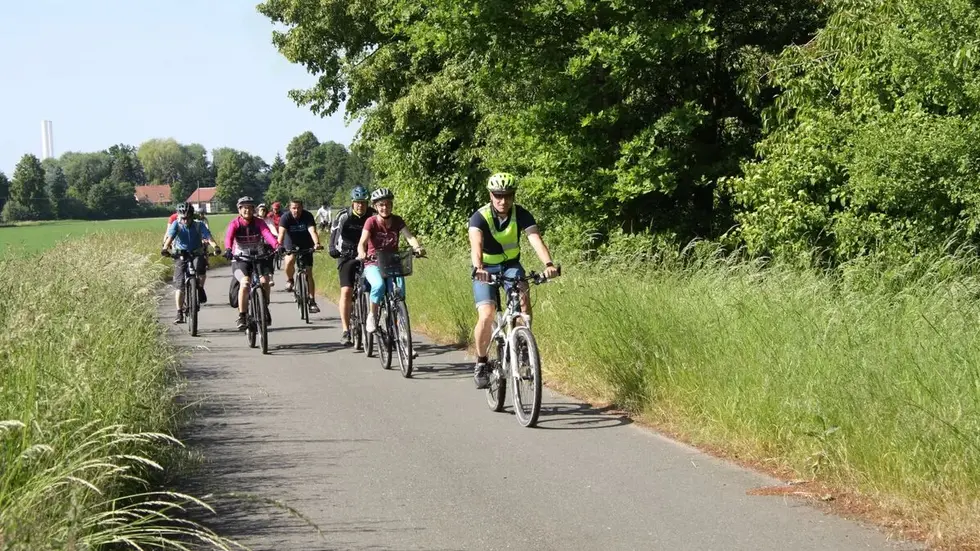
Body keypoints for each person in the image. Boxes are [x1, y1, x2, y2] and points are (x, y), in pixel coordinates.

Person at [469, 172, 559, 389]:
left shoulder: (522, 214)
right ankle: (481, 362)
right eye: (498, 195)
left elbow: (535, 239)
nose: (503, 200)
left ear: (513, 195)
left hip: (511, 266)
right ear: (491, 195)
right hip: (486, 269)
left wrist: (548, 265)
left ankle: (524, 346)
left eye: (508, 195)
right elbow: (476, 245)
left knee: (524, 302)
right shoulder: (479, 217)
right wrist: (479, 268)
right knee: (487, 314)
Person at [356, 188, 424, 334]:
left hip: (392, 262)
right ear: (375, 206)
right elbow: (362, 242)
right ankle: (372, 315)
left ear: (391, 205)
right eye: (381, 205)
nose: (385, 207)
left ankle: (400, 328)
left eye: (387, 204)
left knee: (399, 293)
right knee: (378, 286)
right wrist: (362, 252)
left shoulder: (397, 220)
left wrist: (417, 247)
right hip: (373, 263)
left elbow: (409, 236)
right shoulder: (371, 222)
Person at [223, 196, 281, 330]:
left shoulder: (259, 222)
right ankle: (242, 316)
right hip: (239, 259)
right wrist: (228, 249)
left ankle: (264, 306)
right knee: (245, 283)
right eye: (244, 208)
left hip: (259, 256)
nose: (247, 210)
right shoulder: (235, 223)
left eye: (250, 208)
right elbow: (229, 237)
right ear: (239, 210)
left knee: (265, 281)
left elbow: (267, 234)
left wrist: (277, 245)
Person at [328, 186, 375, 346]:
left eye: (363, 202)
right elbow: (334, 232)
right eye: (357, 202)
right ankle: (346, 330)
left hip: (367, 254)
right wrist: (332, 247)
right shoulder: (344, 215)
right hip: (346, 254)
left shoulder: (372, 215)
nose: (360, 205)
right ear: (352, 202)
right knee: (347, 291)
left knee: (374, 287)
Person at [161, 203, 221, 324]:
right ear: (179, 216)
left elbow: (208, 237)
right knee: (180, 285)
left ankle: (200, 288)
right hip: (180, 254)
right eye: (183, 218)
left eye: (187, 218)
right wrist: (165, 248)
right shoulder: (176, 224)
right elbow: (170, 237)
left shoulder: (199, 225)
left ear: (192, 216)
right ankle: (179, 312)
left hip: (196, 252)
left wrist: (215, 246)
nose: (185, 220)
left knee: (200, 270)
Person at [278, 199, 323, 313]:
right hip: (291, 242)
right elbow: (281, 233)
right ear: (290, 208)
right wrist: (279, 245)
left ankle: (312, 301)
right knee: (289, 260)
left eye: (298, 208)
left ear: (302, 208)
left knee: (308, 272)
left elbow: (312, 231)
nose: (296, 210)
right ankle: (290, 280)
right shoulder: (285, 217)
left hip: (306, 243)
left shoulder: (307, 216)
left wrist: (317, 244)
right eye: (293, 208)